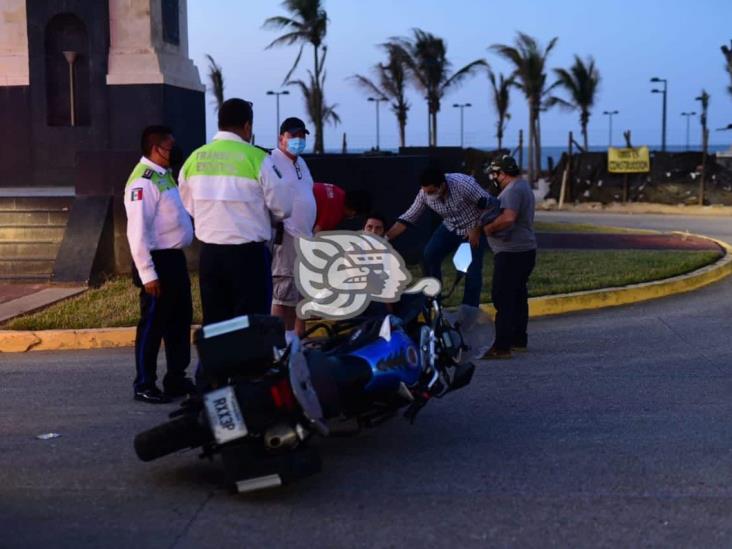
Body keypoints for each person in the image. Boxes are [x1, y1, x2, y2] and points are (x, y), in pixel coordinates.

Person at [178, 98, 291, 325]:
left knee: (217, 325)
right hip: (248, 257)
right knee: (252, 325)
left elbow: (189, 205)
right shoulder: (257, 159)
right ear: (247, 126)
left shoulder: (194, 158)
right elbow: (283, 207)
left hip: (210, 256)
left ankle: (219, 361)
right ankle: (249, 363)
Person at [124, 125, 195, 404]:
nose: (175, 151)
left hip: (174, 259)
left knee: (179, 321)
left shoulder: (163, 176)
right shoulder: (142, 182)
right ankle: (144, 383)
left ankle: (176, 377)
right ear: (156, 149)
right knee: (153, 325)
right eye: (170, 146)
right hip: (156, 262)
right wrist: (147, 274)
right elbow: (136, 232)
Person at [385, 166, 493, 307]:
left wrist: (477, 228)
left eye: (431, 191)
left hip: (473, 227)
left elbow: (490, 205)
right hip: (449, 227)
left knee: (472, 271)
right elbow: (409, 217)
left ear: (442, 185)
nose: (428, 195)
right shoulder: (424, 194)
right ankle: (434, 300)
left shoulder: (463, 184)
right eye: (425, 191)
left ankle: (469, 310)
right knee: (429, 255)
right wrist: (385, 238)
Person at [481, 155, 537, 359]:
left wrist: (486, 229)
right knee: (518, 296)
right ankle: (518, 339)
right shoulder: (522, 186)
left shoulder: (512, 190)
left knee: (503, 297)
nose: (493, 178)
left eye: (494, 174)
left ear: (502, 174)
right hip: (524, 250)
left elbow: (509, 218)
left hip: (512, 252)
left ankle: (502, 346)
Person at [269, 117, 317, 342]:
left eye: (302, 135)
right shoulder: (272, 160)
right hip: (286, 234)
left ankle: (291, 341)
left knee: (296, 294)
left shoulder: (300, 163)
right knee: (282, 293)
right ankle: (277, 344)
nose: (298, 140)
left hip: (304, 236)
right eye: (293, 135)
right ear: (281, 138)